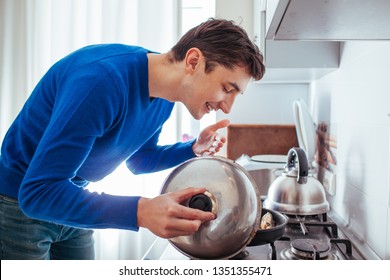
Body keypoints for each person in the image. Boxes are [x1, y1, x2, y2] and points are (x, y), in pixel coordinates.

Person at [0, 18, 265, 259]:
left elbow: (139, 161)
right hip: (19, 207)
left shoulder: (165, 98)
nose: (228, 107)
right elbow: (36, 193)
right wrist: (141, 211)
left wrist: (193, 149)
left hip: (69, 197)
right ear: (193, 61)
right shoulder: (101, 82)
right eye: (226, 89)